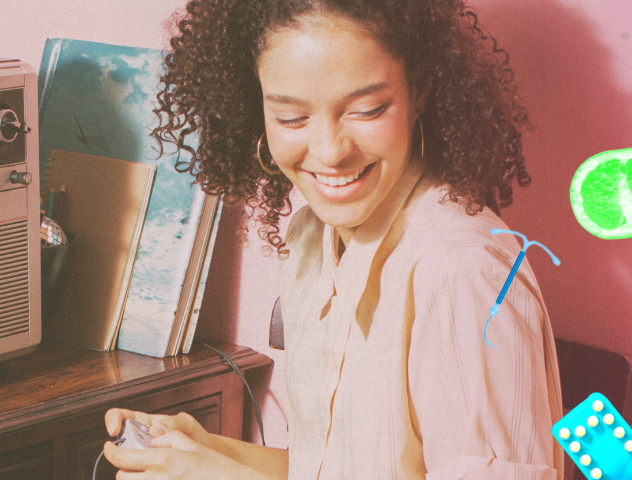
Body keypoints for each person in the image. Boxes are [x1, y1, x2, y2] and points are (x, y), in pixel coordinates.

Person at [102, 0, 565, 478]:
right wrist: (208, 452)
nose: (329, 152)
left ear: (420, 89)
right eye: (290, 118)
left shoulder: (461, 271)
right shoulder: (312, 240)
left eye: (367, 110)